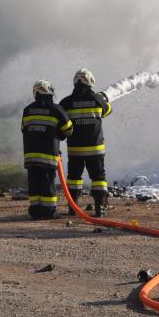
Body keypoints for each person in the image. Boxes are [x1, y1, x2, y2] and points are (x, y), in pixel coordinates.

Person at [59, 69, 112, 217]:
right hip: (95, 148)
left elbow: (60, 122)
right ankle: (99, 208)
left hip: (75, 149)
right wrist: (103, 98)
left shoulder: (66, 102)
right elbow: (108, 110)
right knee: (98, 178)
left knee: (74, 177)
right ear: (91, 81)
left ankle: (73, 208)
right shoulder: (97, 99)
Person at [22, 80, 73, 219]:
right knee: (47, 183)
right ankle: (49, 211)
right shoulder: (56, 110)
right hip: (48, 155)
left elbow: (23, 129)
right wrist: (58, 134)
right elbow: (69, 129)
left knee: (34, 183)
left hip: (31, 156)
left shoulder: (27, 110)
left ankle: (35, 211)